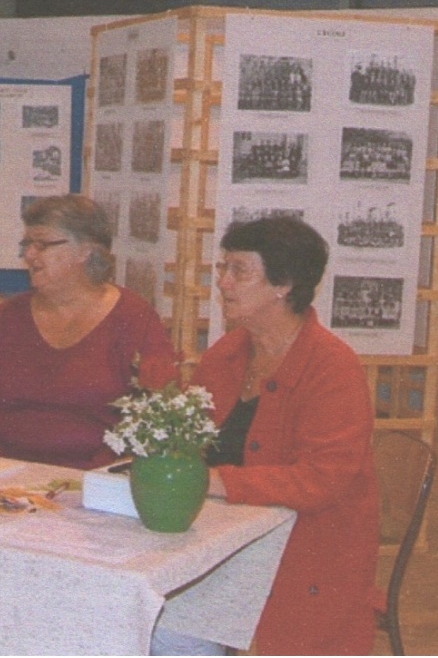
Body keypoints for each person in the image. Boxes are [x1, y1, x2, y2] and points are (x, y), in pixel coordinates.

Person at [152, 216, 378, 656]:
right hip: (229, 542)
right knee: (140, 617)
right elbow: (188, 442)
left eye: (239, 271)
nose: (222, 282)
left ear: (283, 285)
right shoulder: (226, 354)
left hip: (308, 555)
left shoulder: (333, 368)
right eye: (222, 268)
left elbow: (322, 478)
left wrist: (217, 482)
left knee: (171, 635)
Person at [0, 194, 178, 470]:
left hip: (94, 480)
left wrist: (94, 476)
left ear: (85, 250)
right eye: (27, 244)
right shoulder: (8, 317)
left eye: (43, 244)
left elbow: (155, 416)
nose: (29, 255)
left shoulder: (133, 318)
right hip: (3, 477)